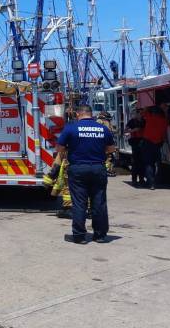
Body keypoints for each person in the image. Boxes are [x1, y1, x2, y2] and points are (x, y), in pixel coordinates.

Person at [56, 104, 116, 244]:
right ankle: (100, 235)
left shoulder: (71, 128)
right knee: (99, 202)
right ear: (91, 114)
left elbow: (60, 148)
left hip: (78, 168)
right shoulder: (103, 128)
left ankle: (79, 236)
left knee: (79, 203)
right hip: (97, 168)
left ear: (78, 114)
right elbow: (111, 148)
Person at [141, 105, 168, 190]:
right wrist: (165, 110)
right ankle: (157, 180)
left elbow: (143, 112)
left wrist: (149, 106)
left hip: (148, 143)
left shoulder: (150, 117)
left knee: (149, 163)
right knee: (158, 163)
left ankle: (151, 183)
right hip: (158, 143)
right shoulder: (164, 120)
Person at [125, 108, 145, 185]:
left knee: (142, 161)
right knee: (135, 161)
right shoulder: (132, 121)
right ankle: (134, 179)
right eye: (139, 113)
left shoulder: (144, 121)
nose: (140, 114)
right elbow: (126, 130)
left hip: (143, 142)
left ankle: (142, 179)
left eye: (141, 113)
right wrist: (133, 130)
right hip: (135, 142)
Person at [96, 112, 117, 177]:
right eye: (108, 119)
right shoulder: (100, 122)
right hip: (103, 145)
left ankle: (107, 169)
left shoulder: (105, 123)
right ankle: (106, 169)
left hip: (105, 144)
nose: (109, 121)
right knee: (109, 157)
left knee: (110, 157)